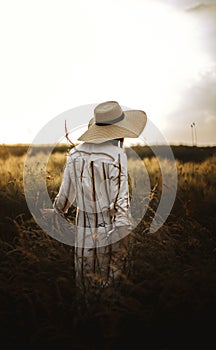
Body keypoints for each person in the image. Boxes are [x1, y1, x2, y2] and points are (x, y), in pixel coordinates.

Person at [43, 101, 147, 290]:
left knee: (85, 285)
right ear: (118, 131)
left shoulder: (74, 154)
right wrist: (123, 231)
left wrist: (56, 211)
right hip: (112, 231)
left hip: (83, 235)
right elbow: (120, 201)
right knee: (111, 288)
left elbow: (65, 195)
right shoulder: (117, 155)